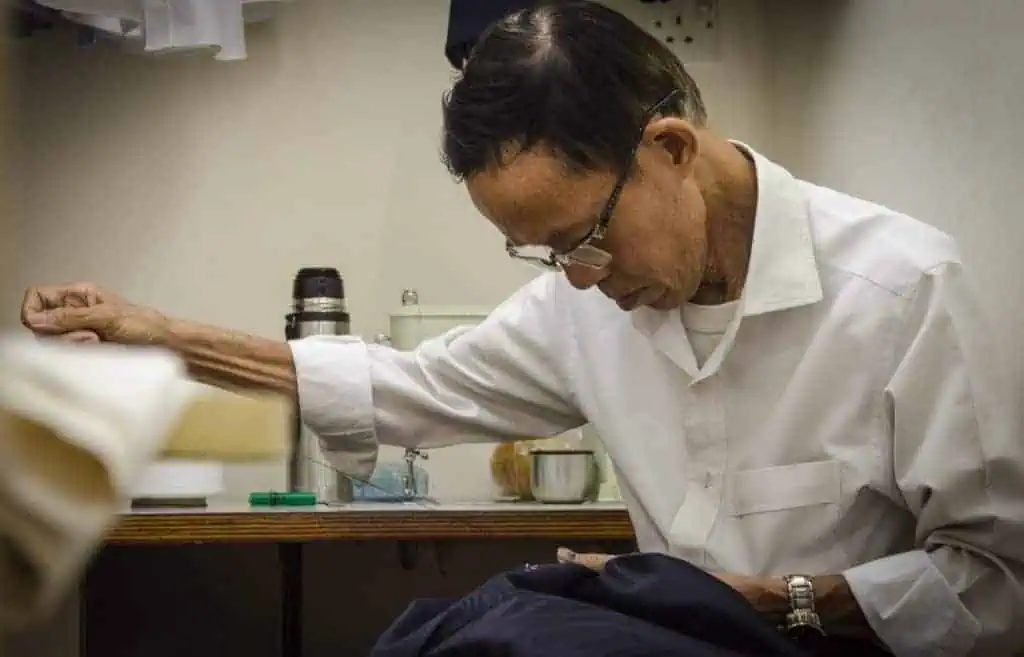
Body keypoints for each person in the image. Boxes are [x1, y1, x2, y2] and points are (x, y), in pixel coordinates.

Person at [18, 2, 1024, 656]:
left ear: (669, 147)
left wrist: (776, 601)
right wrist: (155, 333)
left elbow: (1000, 586)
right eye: (544, 256)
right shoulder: (580, 305)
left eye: (584, 236)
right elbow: (406, 386)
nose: (578, 279)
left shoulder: (902, 290)